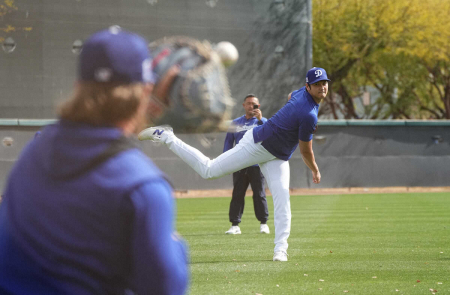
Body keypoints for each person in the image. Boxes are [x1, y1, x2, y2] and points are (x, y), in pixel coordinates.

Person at [0, 28, 189, 295]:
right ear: (146, 91)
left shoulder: (37, 149)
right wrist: (178, 247)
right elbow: (165, 289)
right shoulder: (143, 186)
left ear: (79, 86)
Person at [139, 67, 329, 262]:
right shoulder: (309, 115)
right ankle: (166, 136)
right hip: (257, 143)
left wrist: (288, 116)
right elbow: (306, 151)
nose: (322, 87)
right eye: (317, 84)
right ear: (308, 87)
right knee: (208, 170)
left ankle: (280, 249)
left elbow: (291, 95)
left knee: (283, 200)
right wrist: (315, 169)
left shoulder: (301, 94)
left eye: (324, 83)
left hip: (277, 156)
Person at [223, 94, 269, 235]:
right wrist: (227, 161)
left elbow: (271, 134)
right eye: (248, 103)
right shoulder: (236, 123)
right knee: (237, 194)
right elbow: (228, 143)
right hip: (239, 165)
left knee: (259, 194)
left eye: (254, 104)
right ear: (243, 105)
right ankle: (235, 225)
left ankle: (263, 224)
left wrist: (261, 119)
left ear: (258, 106)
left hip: (256, 165)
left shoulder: (262, 122)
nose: (251, 106)